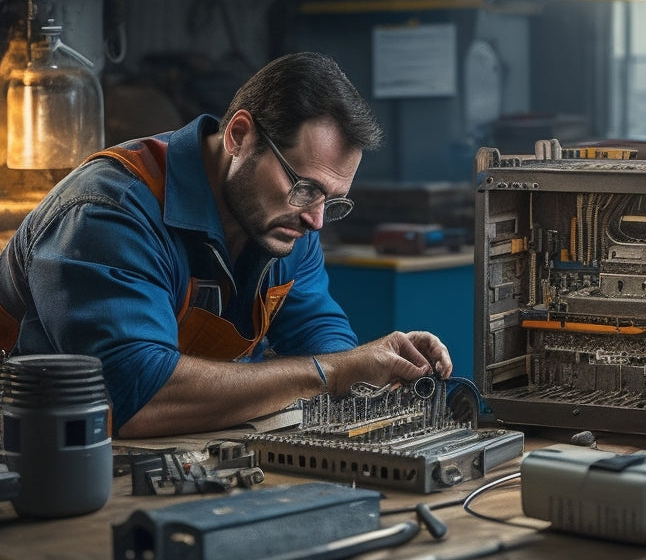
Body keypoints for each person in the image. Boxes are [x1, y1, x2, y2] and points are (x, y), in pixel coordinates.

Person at [0, 51, 452, 438]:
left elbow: (323, 343)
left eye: (331, 202)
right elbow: (139, 395)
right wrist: (333, 373)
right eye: (304, 187)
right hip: (34, 460)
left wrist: (377, 369)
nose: (316, 219)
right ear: (239, 135)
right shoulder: (109, 212)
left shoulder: (286, 224)